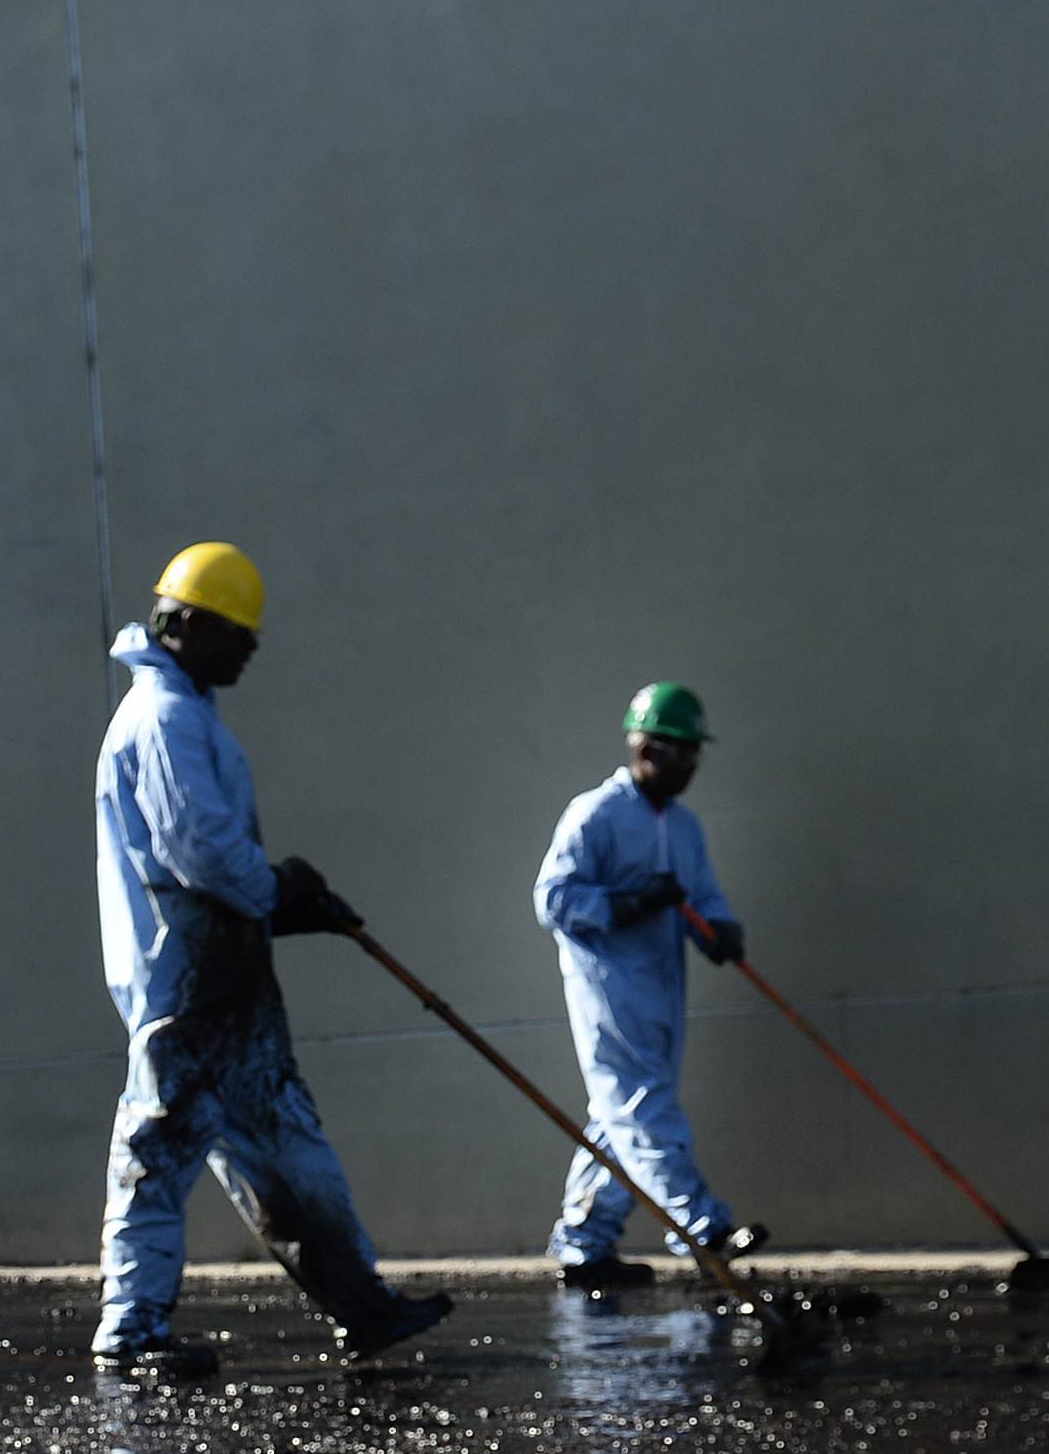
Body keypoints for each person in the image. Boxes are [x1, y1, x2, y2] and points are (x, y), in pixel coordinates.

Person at [89, 543, 450, 1380]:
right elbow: (202, 855)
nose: (250, 648)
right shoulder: (163, 720)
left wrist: (286, 905)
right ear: (184, 624)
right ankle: (130, 1332)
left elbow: (214, 867)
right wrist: (280, 888)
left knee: (288, 1141)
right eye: (235, 633)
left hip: (228, 980)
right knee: (158, 1150)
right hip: (187, 982)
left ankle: (363, 1305)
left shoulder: (189, 711)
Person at [531, 682, 761, 1292]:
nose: (688, 766)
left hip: (663, 989)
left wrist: (721, 930)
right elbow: (553, 899)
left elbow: (703, 893)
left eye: (694, 754)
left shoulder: (683, 827)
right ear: (645, 748)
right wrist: (628, 903)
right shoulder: (596, 815)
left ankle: (584, 1246)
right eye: (677, 751)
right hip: (609, 987)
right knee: (641, 1105)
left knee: (618, 1114)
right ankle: (700, 1225)